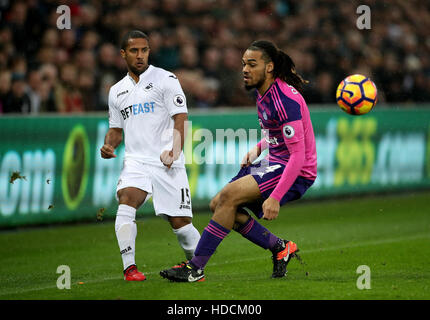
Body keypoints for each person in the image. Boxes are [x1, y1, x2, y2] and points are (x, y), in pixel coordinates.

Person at [160, 40, 317, 282]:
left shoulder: (285, 100)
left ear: (269, 67)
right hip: (275, 160)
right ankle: (279, 247)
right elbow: (274, 132)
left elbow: (298, 155)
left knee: (228, 198)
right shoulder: (263, 92)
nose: (244, 69)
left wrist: (275, 198)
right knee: (218, 204)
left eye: (252, 64)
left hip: (296, 169)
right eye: (244, 64)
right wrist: (258, 148)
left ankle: (195, 268)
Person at [100, 30, 201, 281]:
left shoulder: (166, 79)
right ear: (123, 54)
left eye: (144, 50)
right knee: (127, 199)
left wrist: (175, 151)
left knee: (182, 224)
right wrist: (109, 146)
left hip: (167, 160)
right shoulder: (116, 91)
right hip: (136, 161)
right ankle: (129, 268)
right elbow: (115, 130)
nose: (140, 55)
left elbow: (181, 118)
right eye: (134, 51)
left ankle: (197, 267)